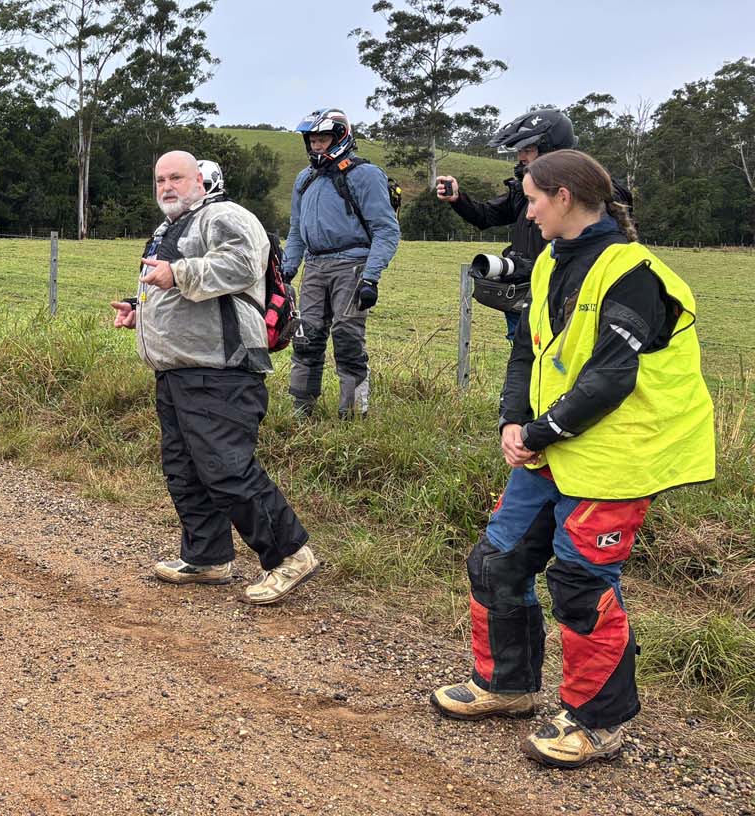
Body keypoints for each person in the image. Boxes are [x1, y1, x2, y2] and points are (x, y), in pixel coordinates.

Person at [430, 150, 715, 768]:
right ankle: (507, 686)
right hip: (551, 447)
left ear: (563, 197)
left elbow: (611, 377)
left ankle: (598, 721)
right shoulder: (550, 262)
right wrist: (512, 420)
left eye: (533, 199)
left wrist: (539, 432)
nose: (527, 212)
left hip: (616, 456)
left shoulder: (633, 273)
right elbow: (527, 353)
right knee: (497, 560)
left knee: (582, 584)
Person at [111, 150, 320, 606]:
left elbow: (242, 266)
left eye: (177, 178)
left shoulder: (224, 216)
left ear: (200, 183)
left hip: (221, 372)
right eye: (160, 180)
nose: (167, 187)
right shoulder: (170, 228)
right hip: (179, 372)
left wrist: (178, 272)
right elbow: (181, 292)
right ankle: (206, 557)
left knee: (227, 469)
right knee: (184, 470)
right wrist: (140, 311)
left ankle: (290, 554)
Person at [281, 108, 400, 417]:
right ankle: (301, 411)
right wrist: (287, 270)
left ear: (340, 138)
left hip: (352, 265)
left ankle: (354, 414)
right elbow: (296, 230)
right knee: (305, 338)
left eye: (323, 139)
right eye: (313, 141)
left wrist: (371, 277)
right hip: (314, 265)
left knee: (347, 339)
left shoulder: (365, 174)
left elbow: (386, 229)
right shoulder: (305, 179)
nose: (317, 146)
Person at [435, 108, 576, 339]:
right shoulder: (522, 191)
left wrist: (537, 267)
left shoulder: (583, 193)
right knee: (519, 353)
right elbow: (486, 215)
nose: (521, 157)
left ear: (552, 150)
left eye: (528, 150)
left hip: (559, 299)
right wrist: (457, 199)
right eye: (519, 150)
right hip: (520, 294)